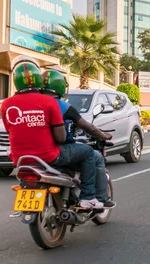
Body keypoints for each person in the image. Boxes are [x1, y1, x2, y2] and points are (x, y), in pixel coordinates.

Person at [0, 57, 103, 210]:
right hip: (49, 155)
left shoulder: (6, 104)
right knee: (88, 152)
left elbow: (10, 131)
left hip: (19, 158)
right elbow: (61, 138)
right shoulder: (49, 102)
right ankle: (87, 198)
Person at [41, 68, 115, 209]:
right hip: (57, 151)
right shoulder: (62, 106)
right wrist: (103, 135)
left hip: (34, 152)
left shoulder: (34, 105)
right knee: (94, 155)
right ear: (60, 87)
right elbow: (87, 126)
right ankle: (93, 198)